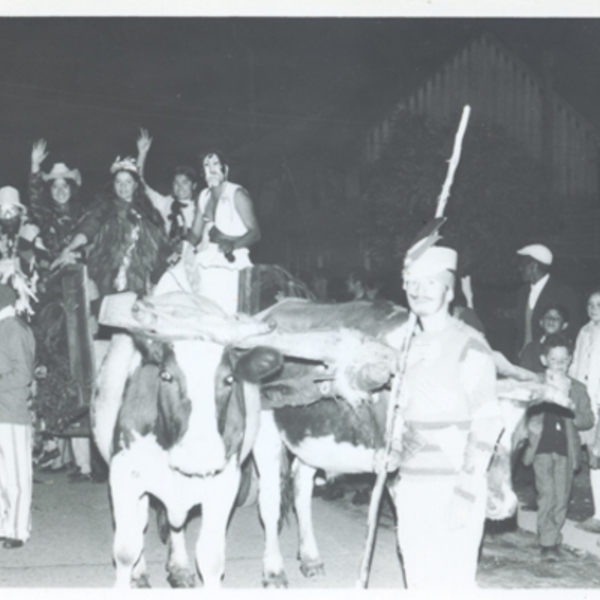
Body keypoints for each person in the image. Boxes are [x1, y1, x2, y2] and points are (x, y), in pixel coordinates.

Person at [383, 245, 503, 589]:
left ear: (449, 292)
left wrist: (465, 493)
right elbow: (400, 415)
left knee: (453, 585)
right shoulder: (404, 348)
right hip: (411, 486)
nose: (418, 290)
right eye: (412, 281)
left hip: (453, 484)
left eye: (430, 283)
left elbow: (488, 422)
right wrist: (391, 452)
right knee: (418, 582)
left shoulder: (470, 344)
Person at [157, 151, 260, 313]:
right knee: (170, 280)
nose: (211, 169)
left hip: (233, 259)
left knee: (216, 309)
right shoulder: (204, 196)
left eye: (215, 164)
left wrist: (233, 245)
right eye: (207, 165)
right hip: (208, 255)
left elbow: (255, 233)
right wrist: (184, 246)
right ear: (202, 173)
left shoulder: (237, 194)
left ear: (225, 169)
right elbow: (195, 234)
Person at [52, 156, 169, 299]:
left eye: (128, 182)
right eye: (118, 182)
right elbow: (89, 228)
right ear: (113, 184)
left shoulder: (150, 213)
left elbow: (160, 245)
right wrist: (69, 248)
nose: (123, 187)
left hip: (140, 279)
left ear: (136, 185)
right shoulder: (105, 208)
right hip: (109, 277)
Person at [521, 333, 593, 561]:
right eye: (554, 359)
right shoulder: (536, 383)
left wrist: (572, 410)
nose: (559, 364)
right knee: (546, 493)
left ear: (570, 360)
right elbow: (521, 408)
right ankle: (548, 541)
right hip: (540, 447)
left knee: (561, 496)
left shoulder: (577, 388)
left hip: (566, 450)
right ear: (544, 360)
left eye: (564, 360)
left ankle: (549, 534)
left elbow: (588, 419)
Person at [0, 283, 36, 548]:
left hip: (11, 411)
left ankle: (18, 530)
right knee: (3, 476)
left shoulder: (14, 329)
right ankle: (6, 525)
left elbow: (23, 374)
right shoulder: (5, 328)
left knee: (17, 476)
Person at [135, 129, 199, 255]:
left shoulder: (201, 207)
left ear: (194, 186)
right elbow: (139, 184)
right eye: (176, 183)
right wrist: (142, 154)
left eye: (185, 182)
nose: (180, 187)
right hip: (167, 256)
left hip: (194, 258)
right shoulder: (165, 203)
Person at [515, 244, 579, 362]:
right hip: (525, 359)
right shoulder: (522, 292)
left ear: (533, 266)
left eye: (522, 265)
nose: (520, 269)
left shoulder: (563, 292)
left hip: (550, 361)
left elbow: (571, 330)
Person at [570, 289, 600, 534]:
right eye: (590, 304)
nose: (594, 308)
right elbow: (576, 366)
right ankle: (598, 514)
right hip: (586, 404)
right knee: (593, 455)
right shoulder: (584, 332)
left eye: (599, 304)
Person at [28, 139, 83, 275]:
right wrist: (35, 165)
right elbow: (35, 194)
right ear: (49, 190)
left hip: (79, 274)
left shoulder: (83, 213)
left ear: (71, 189)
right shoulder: (44, 213)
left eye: (64, 186)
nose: (60, 192)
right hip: (51, 276)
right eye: (55, 187)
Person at [520, 305, 570, 373]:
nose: (551, 320)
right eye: (547, 316)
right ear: (541, 322)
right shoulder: (531, 349)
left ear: (564, 325)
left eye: (557, 318)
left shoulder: (568, 348)